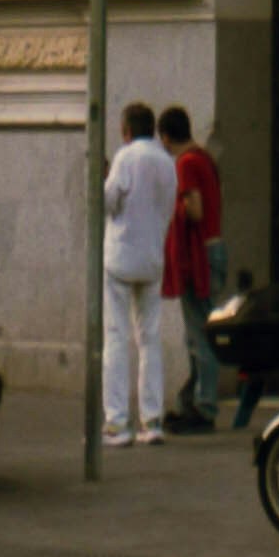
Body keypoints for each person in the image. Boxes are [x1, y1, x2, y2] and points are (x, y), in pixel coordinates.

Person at [102, 96, 177, 446]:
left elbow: (109, 201)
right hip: (151, 257)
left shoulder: (125, 157)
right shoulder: (166, 162)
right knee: (150, 338)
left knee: (116, 337)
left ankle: (117, 422)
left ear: (127, 130)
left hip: (120, 257)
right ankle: (152, 419)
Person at [159, 105, 225, 435]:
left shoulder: (185, 164)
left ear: (166, 137)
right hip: (215, 248)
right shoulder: (204, 159)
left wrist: (176, 210)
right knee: (202, 330)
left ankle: (204, 406)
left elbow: (194, 209)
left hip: (199, 253)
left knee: (199, 334)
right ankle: (194, 399)